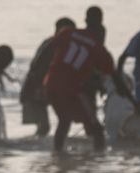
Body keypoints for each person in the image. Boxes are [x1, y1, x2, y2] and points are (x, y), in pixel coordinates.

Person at [43, 18, 122, 152]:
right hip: (71, 89)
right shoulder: (98, 48)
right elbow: (115, 77)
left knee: (64, 121)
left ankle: (58, 155)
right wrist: (133, 102)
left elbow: (47, 51)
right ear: (101, 35)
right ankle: (99, 159)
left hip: (51, 84)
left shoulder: (67, 32)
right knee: (96, 129)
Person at [22, 21, 63, 137]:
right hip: (36, 87)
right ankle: (37, 149)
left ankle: (38, 148)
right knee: (44, 127)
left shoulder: (49, 42)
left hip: (38, 86)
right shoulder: (54, 44)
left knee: (44, 127)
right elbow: (40, 67)